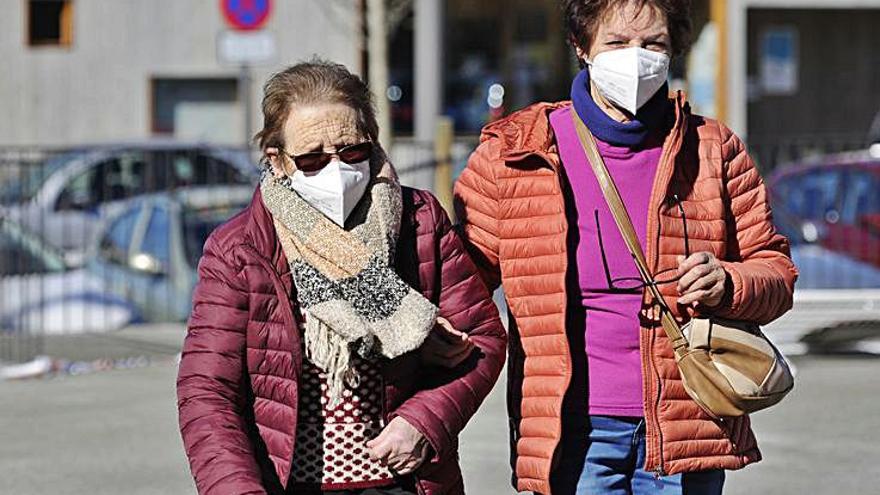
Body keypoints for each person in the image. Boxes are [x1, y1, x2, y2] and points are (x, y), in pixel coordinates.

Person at [453, 1, 798, 494]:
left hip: (688, 421)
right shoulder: (516, 154)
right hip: (573, 430)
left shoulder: (713, 148)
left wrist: (729, 281)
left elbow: (777, 274)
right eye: (617, 42)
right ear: (582, 46)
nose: (636, 58)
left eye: (652, 44)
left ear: (673, 50)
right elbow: (460, 284)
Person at [176, 59, 506, 495]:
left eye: (352, 151)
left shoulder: (419, 221)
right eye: (311, 158)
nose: (336, 170)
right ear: (277, 160)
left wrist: (424, 422)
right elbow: (207, 389)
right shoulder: (241, 248)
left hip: (406, 481)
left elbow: (482, 336)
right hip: (286, 482)